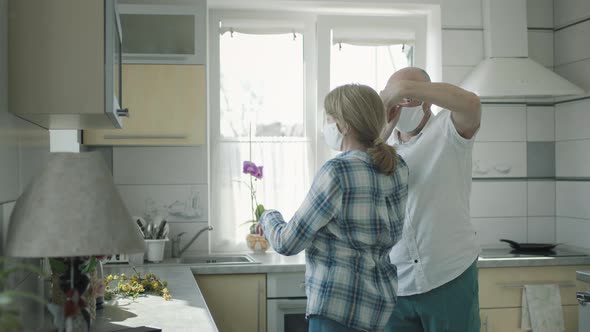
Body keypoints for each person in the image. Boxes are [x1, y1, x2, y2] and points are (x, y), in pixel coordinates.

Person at [259, 84, 409, 332]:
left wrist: (268, 217)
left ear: (344, 125)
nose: (325, 126)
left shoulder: (337, 170)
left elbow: (287, 243)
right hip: (378, 309)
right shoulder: (397, 166)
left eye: (329, 119)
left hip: (337, 310)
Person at [380, 67, 482, 332]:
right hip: (397, 283)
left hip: (450, 275)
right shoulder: (381, 147)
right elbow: (350, 171)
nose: (403, 105)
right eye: (396, 99)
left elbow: (471, 103)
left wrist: (406, 89)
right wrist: (382, 127)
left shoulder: (448, 130)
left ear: (429, 100)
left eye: (410, 98)